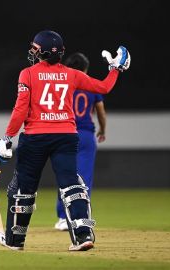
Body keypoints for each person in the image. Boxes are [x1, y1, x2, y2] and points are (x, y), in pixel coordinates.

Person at [0, 30, 130, 251]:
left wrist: (8, 137)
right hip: (66, 135)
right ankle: (83, 235)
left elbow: (20, 109)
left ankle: (15, 240)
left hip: (35, 137)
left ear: (43, 52)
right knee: (72, 185)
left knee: (23, 189)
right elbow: (104, 87)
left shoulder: (27, 73)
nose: (33, 51)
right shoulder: (72, 74)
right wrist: (115, 69)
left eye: (36, 48)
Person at [54, 52, 107, 231]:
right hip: (85, 135)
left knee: (65, 175)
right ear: (85, 69)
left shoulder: (63, 83)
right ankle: (81, 217)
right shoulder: (90, 85)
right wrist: (103, 130)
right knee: (84, 179)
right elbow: (100, 111)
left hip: (65, 132)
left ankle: (63, 218)